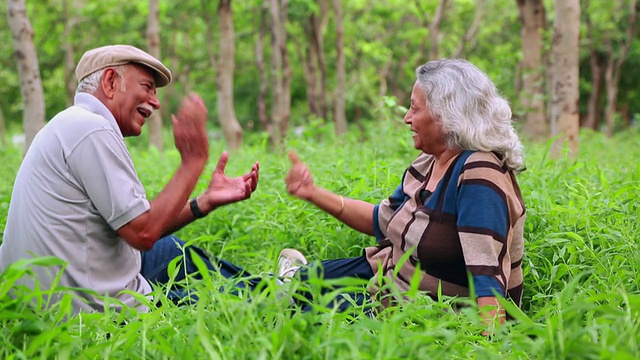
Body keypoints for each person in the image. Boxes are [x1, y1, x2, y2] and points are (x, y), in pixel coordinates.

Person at [0, 44, 261, 314]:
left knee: (170, 250)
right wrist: (193, 162)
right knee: (217, 304)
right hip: (93, 318)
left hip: (38, 300)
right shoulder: (91, 129)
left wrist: (203, 202)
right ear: (111, 82)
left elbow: (136, 222)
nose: (156, 102)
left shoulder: (70, 124)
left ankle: (273, 286)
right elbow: (143, 233)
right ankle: (286, 294)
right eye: (147, 87)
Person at [281, 58, 526, 332]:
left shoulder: (479, 173)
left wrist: (490, 344)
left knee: (304, 317)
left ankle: (291, 284)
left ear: (446, 115)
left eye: (414, 108)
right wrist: (312, 193)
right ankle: (293, 279)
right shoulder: (430, 161)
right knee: (296, 289)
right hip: (385, 273)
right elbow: (381, 220)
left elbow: (487, 275)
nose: (406, 118)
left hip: (426, 313)